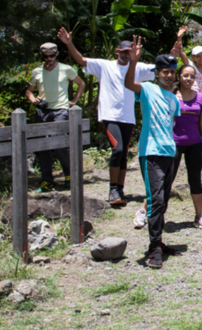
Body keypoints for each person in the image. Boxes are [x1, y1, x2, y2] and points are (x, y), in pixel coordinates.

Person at [57, 28, 156, 207]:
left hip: (128, 117)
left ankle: (120, 189)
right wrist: (69, 43)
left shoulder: (137, 67)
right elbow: (81, 60)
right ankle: (113, 188)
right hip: (110, 116)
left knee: (123, 154)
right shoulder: (105, 66)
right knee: (118, 150)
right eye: (123, 52)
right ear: (117, 51)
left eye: (129, 52)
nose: (126, 55)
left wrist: (176, 54)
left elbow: (160, 69)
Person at [124, 39, 182, 269]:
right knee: (155, 200)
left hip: (170, 152)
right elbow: (129, 83)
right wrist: (133, 61)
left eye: (172, 72)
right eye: (165, 72)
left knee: (163, 200)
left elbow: (171, 124)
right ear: (156, 73)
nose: (169, 76)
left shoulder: (174, 99)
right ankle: (155, 247)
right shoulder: (147, 89)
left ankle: (158, 241)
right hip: (151, 152)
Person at [26, 42, 85, 192]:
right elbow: (29, 91)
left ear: (56, 54)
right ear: (42, 56)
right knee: (43, 147)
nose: (49, 59)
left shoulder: (66, 69)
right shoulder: (36, 71)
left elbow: (81, 84)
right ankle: (47, 181)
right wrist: (33, 99)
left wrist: (74, 100)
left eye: (51, 56)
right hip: (42, 111)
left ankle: (70, 174)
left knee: (59, 142)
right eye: (46, 56)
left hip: (60, 110)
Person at [173, 63, 202, 231]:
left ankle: (199, 216)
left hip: (194, 144)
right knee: (166, 178)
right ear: (179, 77)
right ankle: (149, 211)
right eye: (185, 75)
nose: (189, 79)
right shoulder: (171, 96)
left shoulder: (201, 98)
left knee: (195, 180)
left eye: (192, 76)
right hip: (174, 143)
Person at [176, 26, 202, 111]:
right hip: (193, 98)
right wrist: (179, 38)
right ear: (194, 57)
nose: (201, 58)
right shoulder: (191, 66)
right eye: (198, 56)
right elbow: (181, 52)